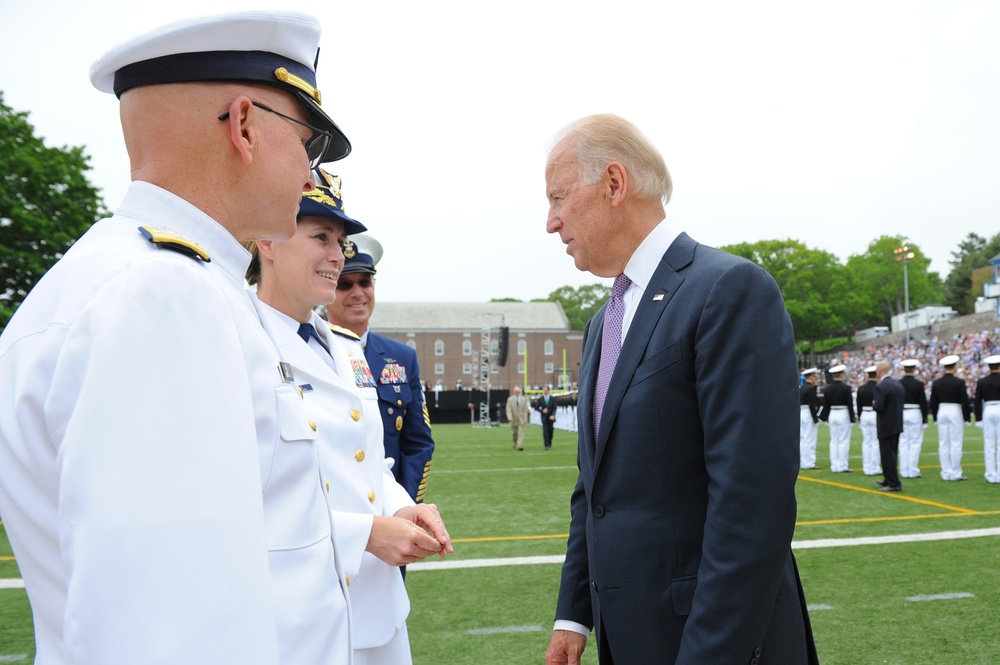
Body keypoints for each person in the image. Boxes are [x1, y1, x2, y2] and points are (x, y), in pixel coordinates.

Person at [0, 11, 356, 663]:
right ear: (245, 125)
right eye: (309, 143)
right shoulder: (165, 299)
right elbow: (178, 637)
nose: (312, 175)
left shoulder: (116, 277)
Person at [543, 114, 816, 664]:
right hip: (633, 635)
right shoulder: (604, 321)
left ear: (614, 184)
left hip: (716, 641)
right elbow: (594, 488)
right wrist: (574, 611)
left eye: (558, 198)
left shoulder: (728, 290)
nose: (551, 222)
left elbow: (750, 506)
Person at [247, 169, 452, 664]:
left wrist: (402, 507)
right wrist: (366, 534)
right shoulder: (235, 343)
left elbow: (368, 463)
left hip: (376, 613)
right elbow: (234, 502)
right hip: (294, 623)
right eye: (321, 237)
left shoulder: (344, 349)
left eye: (339, 240)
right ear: (268, 241)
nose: (337, 255)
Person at [326, 233, 436, 504]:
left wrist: (405, 509)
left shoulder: (402, 358)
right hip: (334, 515)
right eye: (345, 284)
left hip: (391, 511)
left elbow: (418, 444)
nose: (358, 292)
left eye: (365, 282)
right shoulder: (305, 351)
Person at [929, 355, 971, 481]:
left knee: (943, 443)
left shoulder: (937, 382)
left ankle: (946, 471)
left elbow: (933, 402)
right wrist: (967, 417)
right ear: (954, 366)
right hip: (955, 410)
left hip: (942, 410)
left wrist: (936, 417)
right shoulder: (959, 382)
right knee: (956, 443)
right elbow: (964, 401)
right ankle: (956, 472)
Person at [873, 360, 906, 492]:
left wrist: (874, 404)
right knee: (892, 453)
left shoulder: (881, 387)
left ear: (879, 371)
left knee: (887, 454)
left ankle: (893, 482)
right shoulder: (897, 384)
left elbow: (879, 406)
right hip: (896, 423)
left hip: (885, 424)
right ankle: (889, 479)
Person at [819, 364, 855, 472]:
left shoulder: (827, 388)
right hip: (843, 413)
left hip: (832, 414)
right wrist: (852, 418)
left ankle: (834, 466)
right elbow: (850, 404)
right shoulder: (847, 388)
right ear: (842, 375)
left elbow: (825, 404)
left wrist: (825, 417)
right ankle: (842, 466)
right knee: (843, 441)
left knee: (834, 440)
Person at [899, 358, 929, 479]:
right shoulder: (918, 384)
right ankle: (913, 469)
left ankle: (904, 469)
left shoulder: (899, 383)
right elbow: (923, 402)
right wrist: (925, 418)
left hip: (902, 412)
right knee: (915, 442)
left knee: (903, 442)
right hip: (915, 412)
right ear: (914, 369)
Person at [974, 355, 1000, 484]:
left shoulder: (982, 381)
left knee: (989, 443)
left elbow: (977, 401)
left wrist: (978, 418)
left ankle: (991, 474)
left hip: (988, 409)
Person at [856, 365, 882, 476]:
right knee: (875, 442)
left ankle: (867, 467)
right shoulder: (879, 387)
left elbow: (858, 405)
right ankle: (874, 467)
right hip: (875, 413)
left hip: (864, 414)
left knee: (866, 442)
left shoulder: (861, 388)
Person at [799, 368, 821, 470]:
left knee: (804, 439)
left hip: (801, 412)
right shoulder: (811, 389)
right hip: (808, 413)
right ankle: (809, 462)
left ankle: (804, 461)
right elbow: (812, 404)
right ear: (811, 377)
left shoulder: (801, 388)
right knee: (810, 439)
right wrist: (815, 417)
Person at [506, 386, 531, 451]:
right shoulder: (510, 399)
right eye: (516, 392)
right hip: (513, 419)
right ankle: (514, 443)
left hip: (521, 419)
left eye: (518, 392)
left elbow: (525, 410)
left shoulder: (523, 399)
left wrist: (525, 419)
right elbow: (508, 409)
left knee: (520, 432)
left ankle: (520, 445)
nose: (517, 393)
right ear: (513, 392)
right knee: (515, 433)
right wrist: (510, 417)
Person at [535, 385, 558, 449]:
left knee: (550, 431)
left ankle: (550, 441)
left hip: (551, 417)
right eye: (544, 390)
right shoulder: (540, 399)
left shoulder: (553, 399)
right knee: (545, 431)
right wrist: (542, 411)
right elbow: (536, 407)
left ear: (548, 390)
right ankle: (546, 445)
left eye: (546, 390)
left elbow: (554, 408)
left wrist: (553, 415)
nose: (544, 391)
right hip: (544, 417)